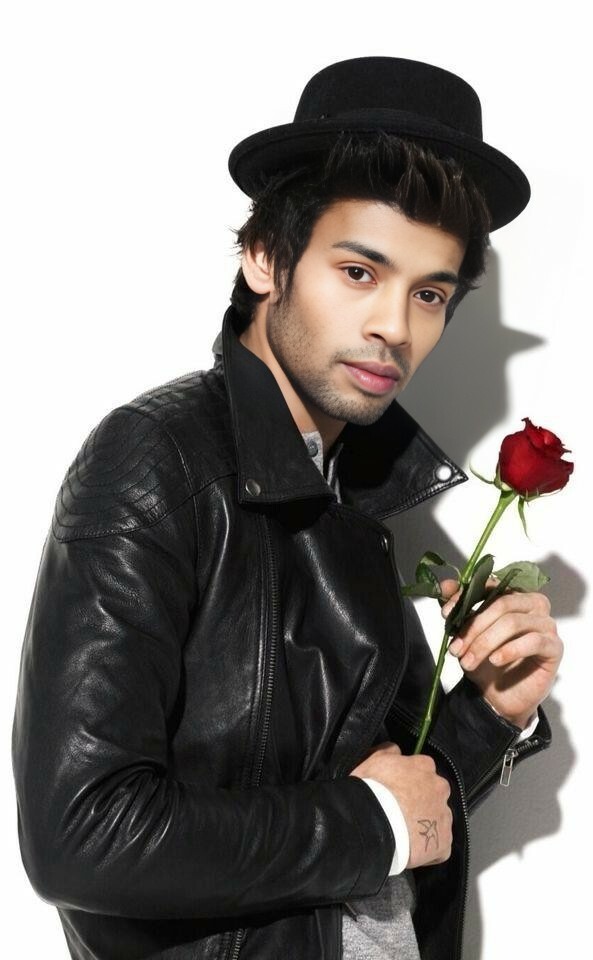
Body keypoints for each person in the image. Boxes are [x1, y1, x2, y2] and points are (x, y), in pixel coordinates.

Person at [12, 56, 562, 960]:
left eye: (429, 293)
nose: (395, 326)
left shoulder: (354, 493)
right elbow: (80, 836)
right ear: (265, 256)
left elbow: (396, 812)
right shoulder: (157, 460)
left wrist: (490, 714)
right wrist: (373, 820)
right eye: (358, 271)